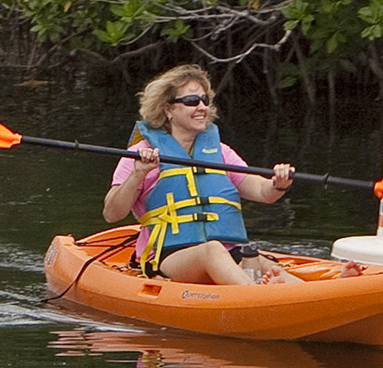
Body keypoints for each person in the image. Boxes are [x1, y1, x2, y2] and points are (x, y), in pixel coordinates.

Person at [99, 65, 296, 285]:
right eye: (192, 101)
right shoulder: (140, 155)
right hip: (168, 257)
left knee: (263, 263)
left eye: (205, 100)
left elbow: (262, 192)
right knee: (211, 250)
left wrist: (278, 183)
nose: (202, 107)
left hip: (227, 252)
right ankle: (258, 298)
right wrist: (138, 174)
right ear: (168, 109)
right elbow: (112, 214)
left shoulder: (220, 152)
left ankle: (320, 292)